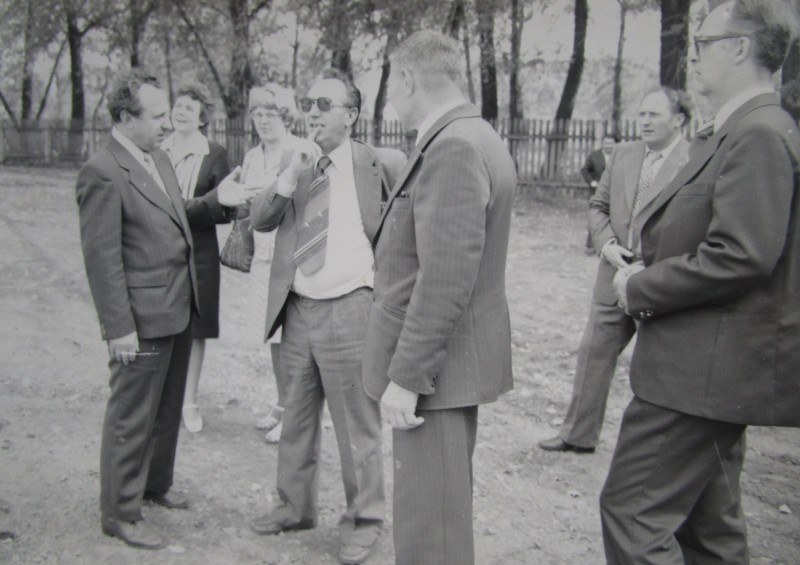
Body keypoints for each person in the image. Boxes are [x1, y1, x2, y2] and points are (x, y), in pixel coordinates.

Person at [603, 1, 800, 563]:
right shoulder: (740, 129)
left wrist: (640, 288)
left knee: (633, 515)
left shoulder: (757, 132)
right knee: (708, 531)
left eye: (703, 42)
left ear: (739, 47)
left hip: (700, 376)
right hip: (708, 372)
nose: (692, 56)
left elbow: (740, 255)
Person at [75, 70, 253, 550]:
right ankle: (120, 512)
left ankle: (154, 485)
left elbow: (177, 214)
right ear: (124, 118)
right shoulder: (102, 172)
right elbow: (102, 260)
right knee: (132, 415)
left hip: (179, 305)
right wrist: (119, 328)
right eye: (156, 116)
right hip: (141, 316)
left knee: (167, 408)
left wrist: (216, 201)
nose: (166, 124)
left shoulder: (156, 157)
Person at [362, 31, 517, 565]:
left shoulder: (452, 145)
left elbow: (445, 278)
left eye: (392, 86)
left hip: (434, 374)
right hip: (447, 365)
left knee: (430, 533)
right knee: (436, 520)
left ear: (408, 79)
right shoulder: (473, 134)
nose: (390, 100)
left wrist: (407, 377)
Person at [245, 69, 406, 565]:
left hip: (352, 309)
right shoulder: (296, 160)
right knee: (295, 417)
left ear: (351, 115)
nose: (311, 112)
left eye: (323, 104)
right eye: (308, 103)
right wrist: (288, 176)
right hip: (298, 309)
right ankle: (293, 508)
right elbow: (260, 221)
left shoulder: (380, 163)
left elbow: (406, 233)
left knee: (357, 425)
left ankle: (365, 521)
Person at [539, 87, 690, 455]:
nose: (645, 121)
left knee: (661, 369)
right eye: (642, 114)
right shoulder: (623, 153)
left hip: (657, 281)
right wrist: (606, 244)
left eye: (654, 115)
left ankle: (661, 453)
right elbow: (598, 206)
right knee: (593, 355)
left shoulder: (695, 160)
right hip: (612, 276)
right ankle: (577, 435)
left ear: (679, 120)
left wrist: (651, 266)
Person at [161, 80, 232, 434]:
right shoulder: (157, 150)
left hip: (200, 252)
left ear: (203, 116)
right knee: (161, 322)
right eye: (179, 105)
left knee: (195, 329)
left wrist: (183, 210)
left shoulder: (214, 153)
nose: (182, 112)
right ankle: (163, 399)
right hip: (159, 249)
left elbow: (225, 209)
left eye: (190, 107)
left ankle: (188, 401)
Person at [238, 84, 303, 444]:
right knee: (273, 337)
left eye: (270, 113)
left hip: (289, 257)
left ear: (286, 116)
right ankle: (282, 403)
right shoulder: (251, 157)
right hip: (261, 257)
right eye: (257, 114)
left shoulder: (299, 150)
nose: (263, 120)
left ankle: (297, 412)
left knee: (292, 337)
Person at [580, 134, 616, 253]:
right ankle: (590, 245)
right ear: (602, 144)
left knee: (614, 219)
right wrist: (592, 182)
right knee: (595, 217)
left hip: (615, 193)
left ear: (615, 144)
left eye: (611, 143)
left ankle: (610, 245)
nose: (608, 146)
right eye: (606, 143)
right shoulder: (594, 156)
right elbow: (585, 170)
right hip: (597, 193)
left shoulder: (619, 156)